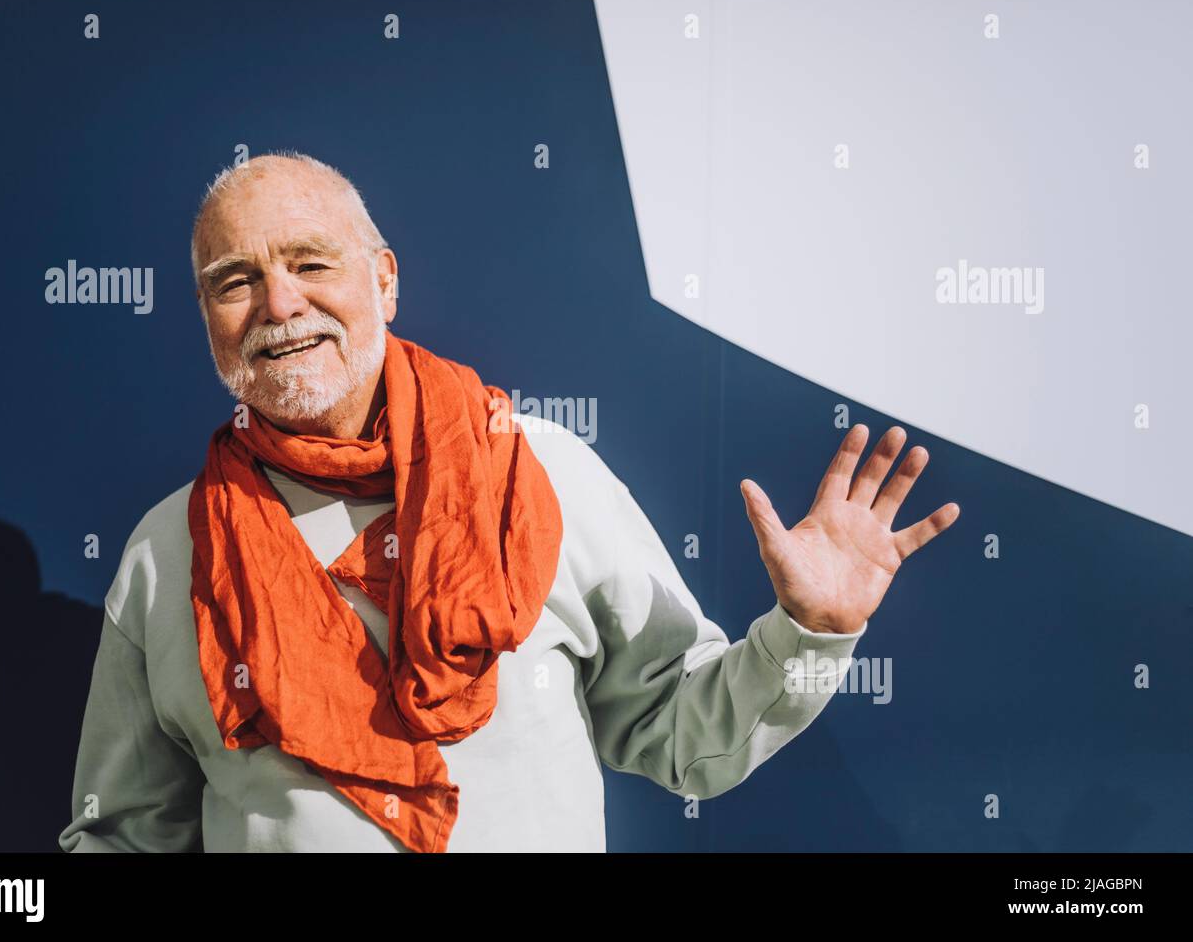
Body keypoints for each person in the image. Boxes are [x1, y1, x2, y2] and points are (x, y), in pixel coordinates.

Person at [58, 151, 959, 853]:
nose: (279, 303)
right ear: (207, 316)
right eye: (235, 280)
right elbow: (124, 836)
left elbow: (687, 736)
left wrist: (810, 636)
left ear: (385, 280)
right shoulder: (165, 552)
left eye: (309, 263)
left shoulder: (544, 474)